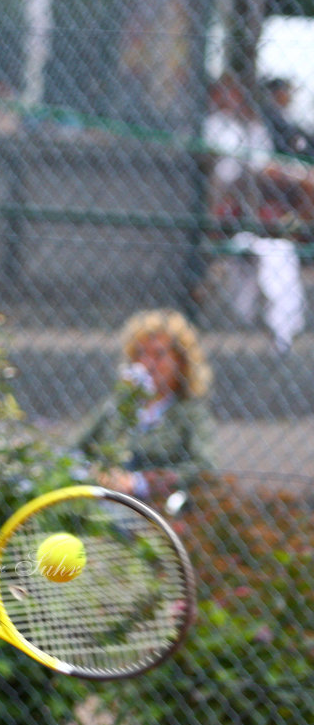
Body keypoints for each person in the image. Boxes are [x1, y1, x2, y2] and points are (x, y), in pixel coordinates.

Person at [203, 73, 313, 354]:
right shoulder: (214, 123)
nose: (232, 99)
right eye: (224, 93)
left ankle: (297, 230)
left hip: (259, 192)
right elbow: (232, 166)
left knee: (304, 183)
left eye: (235, 92)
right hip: (230, 195)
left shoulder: (254, 124)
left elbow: (264, 161)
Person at [73, 309, 217, 514]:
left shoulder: (190, 413)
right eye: (140, 353)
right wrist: (96, 473)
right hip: (99, 507)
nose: (148, 363)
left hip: (155, 514)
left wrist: (140, 482)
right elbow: (72, 451)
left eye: (159, 354)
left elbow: (206, 467)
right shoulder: (116, 405)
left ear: (181, 362)